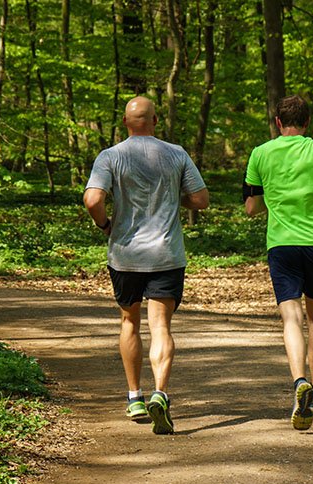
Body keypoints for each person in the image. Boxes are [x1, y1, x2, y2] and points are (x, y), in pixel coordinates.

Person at [83, 96, 209, 435]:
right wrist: (172, 195)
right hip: (166, 254)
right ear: (155, 121)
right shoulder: (176, 153)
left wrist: (105, 225)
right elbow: (201, 199)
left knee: (129, 321)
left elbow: (92, 199)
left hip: (125, 254)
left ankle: (134, 396)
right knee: (161, 327)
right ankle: (161, 394)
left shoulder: (110, 156)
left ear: (125, 122)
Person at [243, 95, 313, 431]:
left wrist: (274, 202)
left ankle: (299, 382)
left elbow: (250, 207)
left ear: (278, 122)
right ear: (307, 122)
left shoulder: (261, 153)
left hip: (282, 244)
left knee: (291, 315)